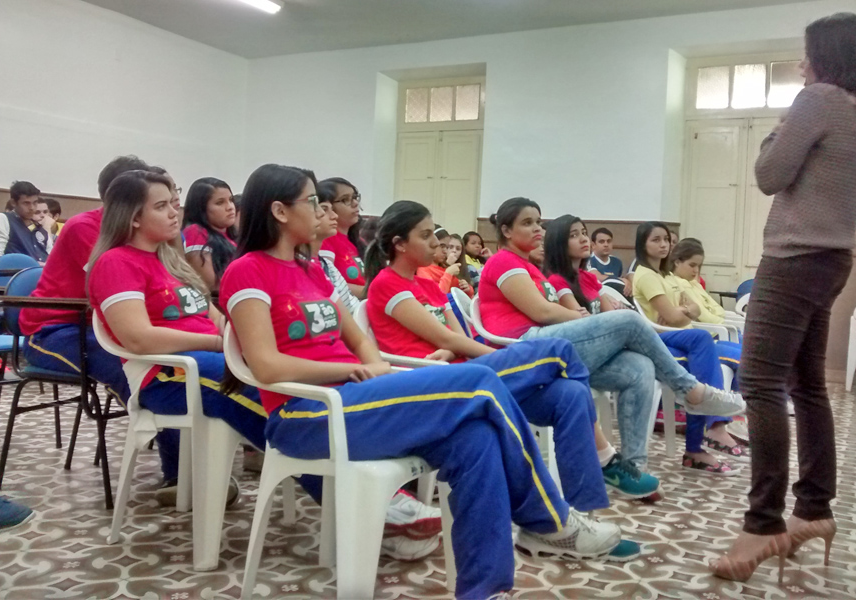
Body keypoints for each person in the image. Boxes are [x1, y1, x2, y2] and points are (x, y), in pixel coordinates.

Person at [221, 164, 627, 600]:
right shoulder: (246, 271)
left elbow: (357, 338)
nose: (322, 210)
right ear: (280, 211)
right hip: (307, 414)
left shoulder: (311, 270)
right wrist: (352, 371)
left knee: (476, 439)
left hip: (356, 397)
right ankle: (549, 520)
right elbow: (266, 367)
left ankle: (485, 589)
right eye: (312, 201)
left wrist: (371, 365)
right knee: (480, 382)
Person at [711, 13, 856, 583]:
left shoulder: (818, 100)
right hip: (833, 259)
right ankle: (814, 508)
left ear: (829, 56)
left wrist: (779, 126)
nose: (801, 63)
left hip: (793, 260)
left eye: (808, 53)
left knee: (759, 382)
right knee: (807, 385)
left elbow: (769, 174)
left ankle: (762, 522)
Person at [364, 201, 659, 505]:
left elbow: (455, 338)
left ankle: (584, 506)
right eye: (425, 236)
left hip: (467, 370)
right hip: (439, 382)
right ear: (399, 244)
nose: (435, 243)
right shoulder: (386, 284)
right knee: (558, 350)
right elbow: (444, 337)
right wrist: (492, 356)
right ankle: (607, 456)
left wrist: (453, 352)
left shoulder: (427, 285)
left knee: (571, 393)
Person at [478, 198, 744, 473]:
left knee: (640, 366)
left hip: (550, 344)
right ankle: (690, 390)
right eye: (527, 223)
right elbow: (542, 311)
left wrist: (593, 320)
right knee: (628, 321)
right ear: (506, 231)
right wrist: (589, 320)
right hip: (524, 349)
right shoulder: (503, 261)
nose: (537, 228)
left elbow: (554, 311)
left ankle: (634, 466)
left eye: (538, 222)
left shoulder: (531, 267)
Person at [86, 170, 265, 511]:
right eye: (162, 206)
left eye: (174, 204)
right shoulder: (116, 263)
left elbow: (217, 319)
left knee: (280, 369)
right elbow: (139, 339)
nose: (174, 213)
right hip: (165, 377)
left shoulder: (170, 261)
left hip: (203, 364)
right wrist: (219, 345)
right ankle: (317, 457)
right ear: (134, 217)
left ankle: (321, 454)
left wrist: (248, 340)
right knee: (265, 389)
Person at [19, 156, 184, 505]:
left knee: (174, 359)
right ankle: (180, 474)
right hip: (53, 330)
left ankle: (197, 453)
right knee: (135, 368)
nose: (171, 209)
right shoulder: (84, 228)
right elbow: (114, 293)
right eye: (157, 201)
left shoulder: (147, 234)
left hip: (100, 326)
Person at [632, 222, 748, 472]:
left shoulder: (665, 276)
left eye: (666, 239)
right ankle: (712, 429)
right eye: (656, 240)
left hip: (680, 336)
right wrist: (684, 311)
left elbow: (690, 312)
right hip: (659, 340)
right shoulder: (646, 276)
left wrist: (684, 311)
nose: (663, 244)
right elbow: (673, 318)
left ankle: (703, 442)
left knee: (723, 358)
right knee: (702, 339)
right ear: (643, 244)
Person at [545, 217, 631, 316]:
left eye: (584, 233)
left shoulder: (589, 277)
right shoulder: (557, 279)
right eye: (573, 235)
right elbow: (581, 320)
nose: (584, 239)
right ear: (558, 243)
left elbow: (611, 315)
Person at [181, 177, 237, 291]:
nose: (230, 207)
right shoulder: (195, 232)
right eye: (220, 203)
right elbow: (209, 284)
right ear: (201, 208)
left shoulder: (231, 235)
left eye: (231, 200)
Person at [314, 186, 359, 315]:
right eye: (324, 209)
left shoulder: (326, 265)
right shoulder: (328, 243)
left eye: (355, 198)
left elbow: (348, 308)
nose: (334, 216)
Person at [318, 177, 365, 299]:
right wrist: (376, 292)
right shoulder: (325, 240)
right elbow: (328, 282)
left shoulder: (358, 241)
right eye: (345, 200)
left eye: (355, 197)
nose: (355, 203)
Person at [0, 181, 52, 262]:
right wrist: (33, 265)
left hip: (43, 269)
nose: (32, 208)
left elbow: (53, 259)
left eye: (35, 203)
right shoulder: (3, 219)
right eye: (26, 203)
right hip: (16, 269)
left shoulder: (40, 228)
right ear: (13, 203)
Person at [416, 227, 474, 297]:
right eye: (442, 246)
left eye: (447, 247)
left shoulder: (443, 268)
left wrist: (467, 288)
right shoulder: (423, 270)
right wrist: (448, 273)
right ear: (431, 245)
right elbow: (436, 296)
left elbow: (461, 292)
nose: (445, 251)